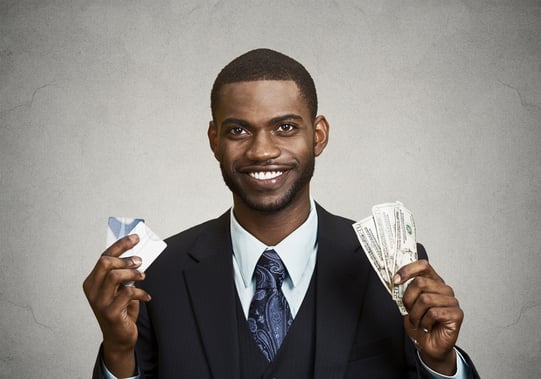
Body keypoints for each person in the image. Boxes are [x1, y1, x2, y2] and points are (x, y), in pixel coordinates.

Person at [83, 48, 479, 378]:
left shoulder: (395, 267)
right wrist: (118, 354)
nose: (262, 151)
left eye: (285, 127)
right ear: (214, 140)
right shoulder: (159, 274)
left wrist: (440, 363)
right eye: (238, 130)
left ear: (318, 135)